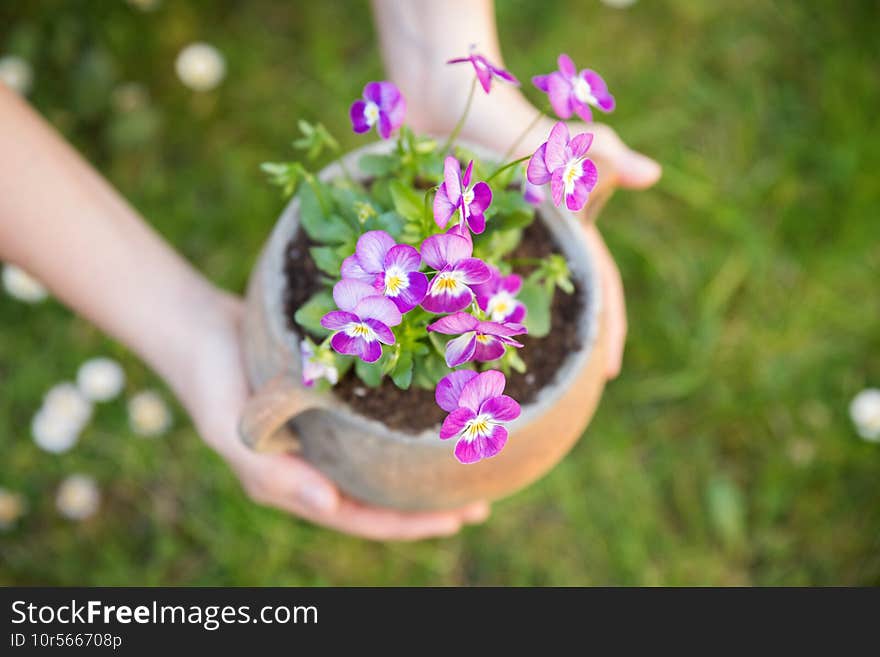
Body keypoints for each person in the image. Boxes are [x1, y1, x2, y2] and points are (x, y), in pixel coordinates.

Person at [0, 0, 660, 541]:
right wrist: (184, 326)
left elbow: (447, 290)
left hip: (416, 279)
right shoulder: (407, 293)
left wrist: (444, 62)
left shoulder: (444, 291)